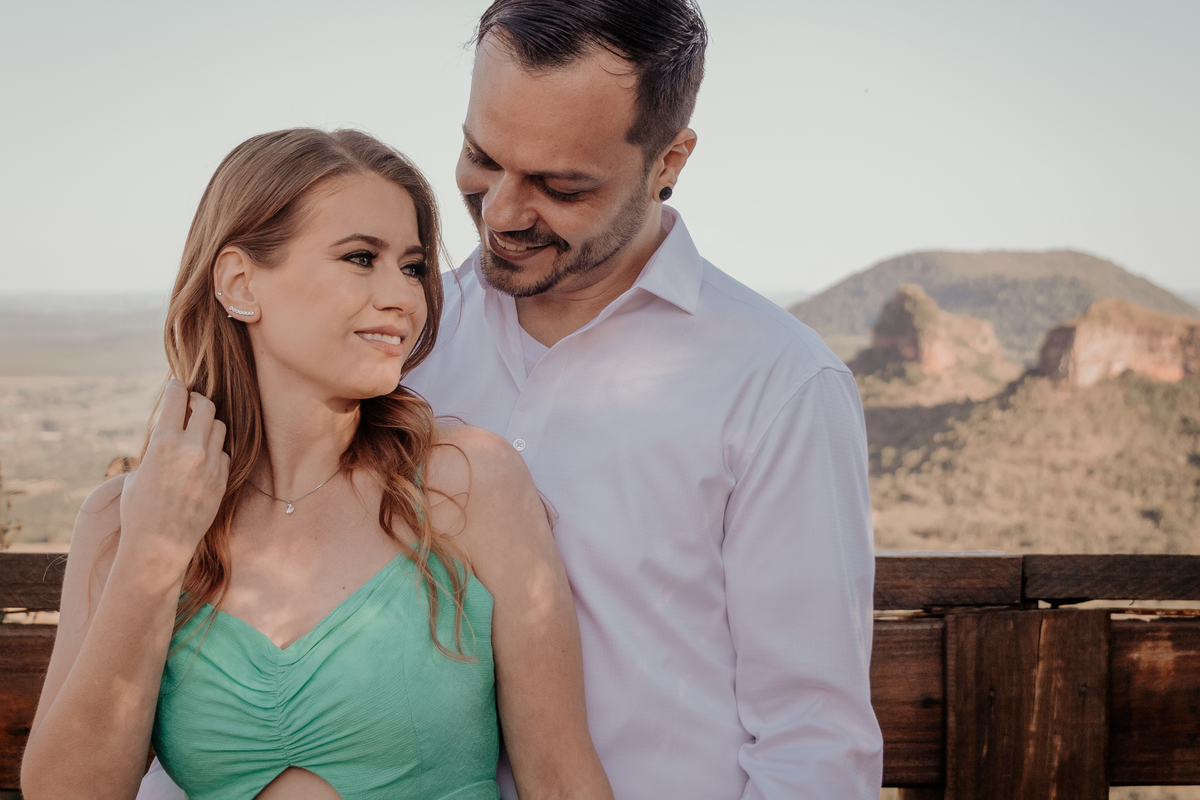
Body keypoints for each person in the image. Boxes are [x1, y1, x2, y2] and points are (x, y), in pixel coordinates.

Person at [21, 128, 613, 800]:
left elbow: (563, 781)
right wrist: (153, 554)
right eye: (361, 258)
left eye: (413, 266)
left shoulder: (468, 483)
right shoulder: (121, 519)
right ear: (241, 283)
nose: (404, 297)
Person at [407, 1, 884, 798]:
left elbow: (814, 741)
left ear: (670, 161)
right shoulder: (401, 346)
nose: (502, 212)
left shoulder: (782, 385)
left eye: (561, 185)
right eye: (480, 156)